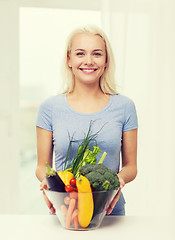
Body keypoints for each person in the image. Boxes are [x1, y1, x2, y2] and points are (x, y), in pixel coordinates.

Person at [35, 25, 138, 216]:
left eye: (97, 54)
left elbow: (131, 167)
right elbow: (42, 166)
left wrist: (118, 180)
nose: (88, 61)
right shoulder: (49, 108)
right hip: (66, 209)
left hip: (109, 211)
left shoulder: (125, 107)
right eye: (80, 53)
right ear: (69, 59)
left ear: (106, 60)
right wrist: (47, 181)